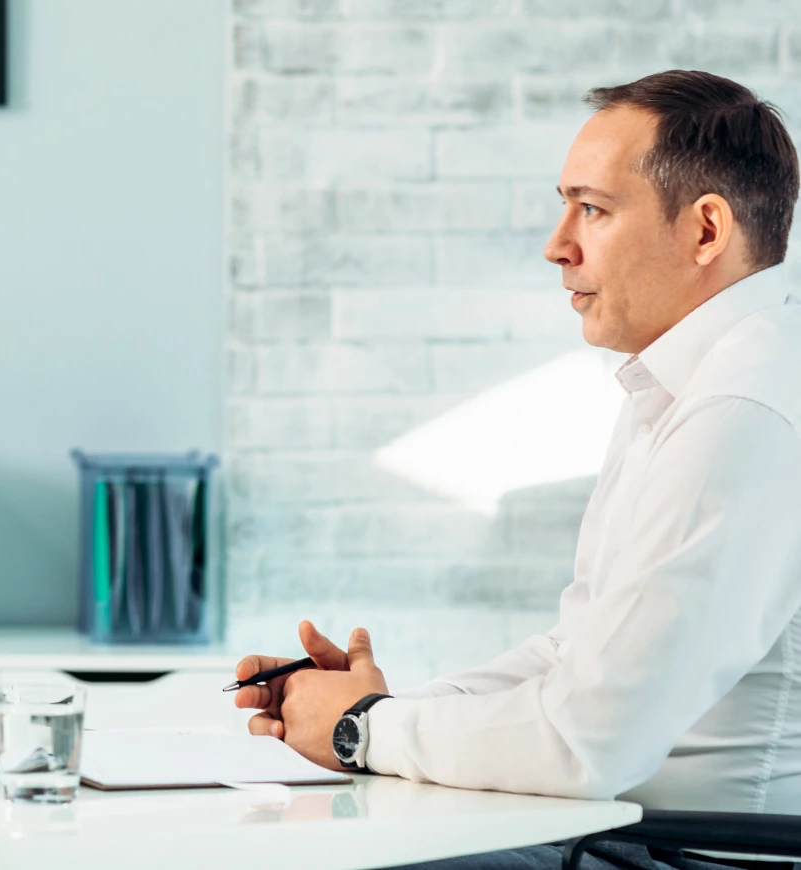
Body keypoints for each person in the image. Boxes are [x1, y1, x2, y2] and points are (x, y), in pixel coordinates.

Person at [235, 69, 801, 870]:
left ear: (706, 231)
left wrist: (362, 730)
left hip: (679, 856)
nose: (556, 244)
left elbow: (588, 742)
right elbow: (576, 656)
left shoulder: (741, 414)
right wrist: (378, 710)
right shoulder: (686, 386)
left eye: (592, 210)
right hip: (622, 834)